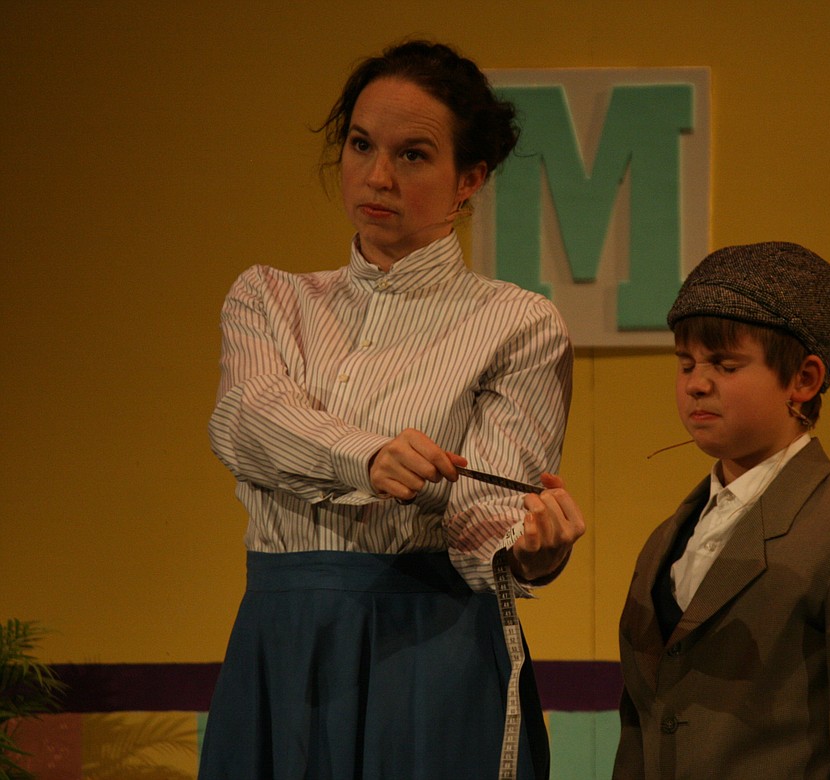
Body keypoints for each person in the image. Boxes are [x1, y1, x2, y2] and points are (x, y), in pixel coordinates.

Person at [199, 40, 584, 780]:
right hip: (281, 638)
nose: (376, 176)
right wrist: (367, 456)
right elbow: (246, 421)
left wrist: (532, 550)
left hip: (430, 648)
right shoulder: (270, 297)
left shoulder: (518, 323)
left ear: (468, 178)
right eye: (360, 144)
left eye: (413, 155)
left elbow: (485, 514)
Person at [613, 242, 830, 779]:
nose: (696, 383)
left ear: (803, 380)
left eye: (725, 364)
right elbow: (642, 723)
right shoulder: (669, 536)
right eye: (686, 363)